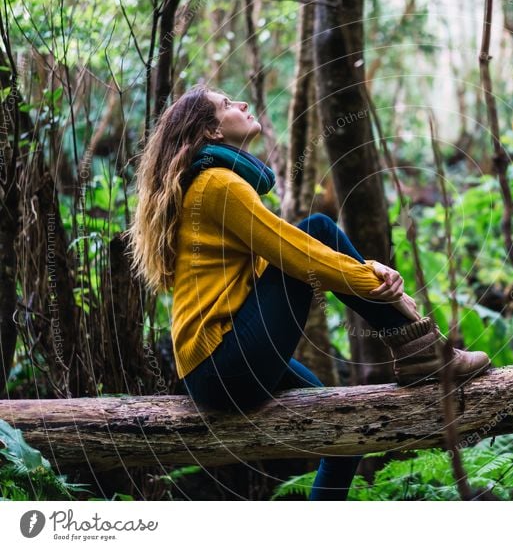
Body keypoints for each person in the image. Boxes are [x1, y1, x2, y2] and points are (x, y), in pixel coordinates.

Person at [125, 85, 491, 501]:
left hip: (211, 370)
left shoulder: (211, 184)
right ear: (211, 132)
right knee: (318, 228)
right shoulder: (217, 185)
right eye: (226, 104)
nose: (243, 104)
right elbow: (298, 255)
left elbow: (269, 265)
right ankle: (422, 353)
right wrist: (379, 286)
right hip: (223, 365)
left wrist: (366, 273)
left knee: (342, 428)